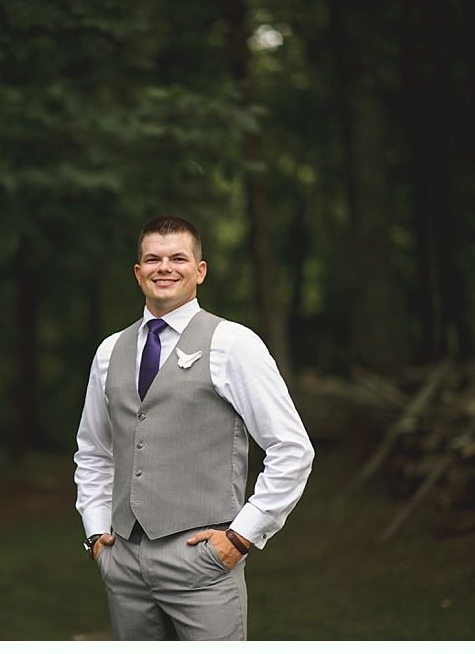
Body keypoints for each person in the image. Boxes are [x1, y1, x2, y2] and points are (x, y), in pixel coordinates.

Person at [73, 215, 314, 641]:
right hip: (123, 562)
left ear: (199, 271)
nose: (164, 268)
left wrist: (240, 538)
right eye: (153, 259)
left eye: (177, 258)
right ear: (138, 271)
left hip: (202, 561)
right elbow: (94, 450)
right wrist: (95, 531)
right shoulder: (110, 351)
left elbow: (292, 448)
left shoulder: (233, 343)